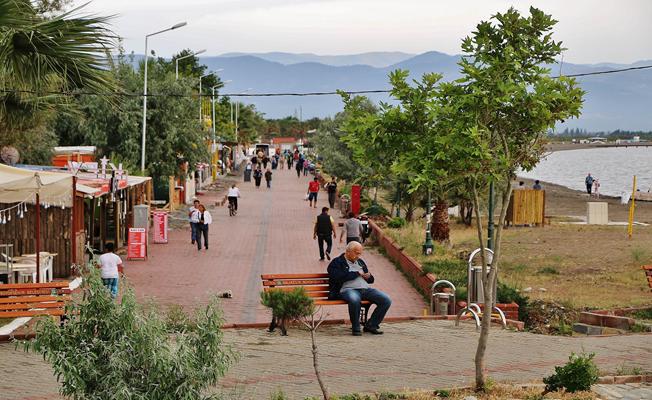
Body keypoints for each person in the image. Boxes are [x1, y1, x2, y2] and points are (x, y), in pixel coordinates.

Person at [327, 241, 392, 336]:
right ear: (348, 251)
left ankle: (371, 325)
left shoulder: (360, 262)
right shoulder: (337, 262)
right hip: (347, 290)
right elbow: (336, 276)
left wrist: (368, 277)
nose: (358, 255)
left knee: (386, 299)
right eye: (356, 253)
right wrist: (356, 273)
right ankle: (356, 327)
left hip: (365, 290)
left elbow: (371, 280)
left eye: (360, 253)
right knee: (354, 299)